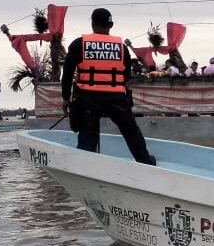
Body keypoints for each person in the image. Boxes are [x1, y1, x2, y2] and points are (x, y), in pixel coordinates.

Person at [60, 8, 156, 165]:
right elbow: (126, 75)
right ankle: (145, 162)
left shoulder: (80, 44)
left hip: (88, 97)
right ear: (110, 25)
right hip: (116, 97)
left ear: (92, 23)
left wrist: (65, 98)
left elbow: (68, 73)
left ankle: (85, 167)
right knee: (131, 131)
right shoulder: (121, 47)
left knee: (88, 134)